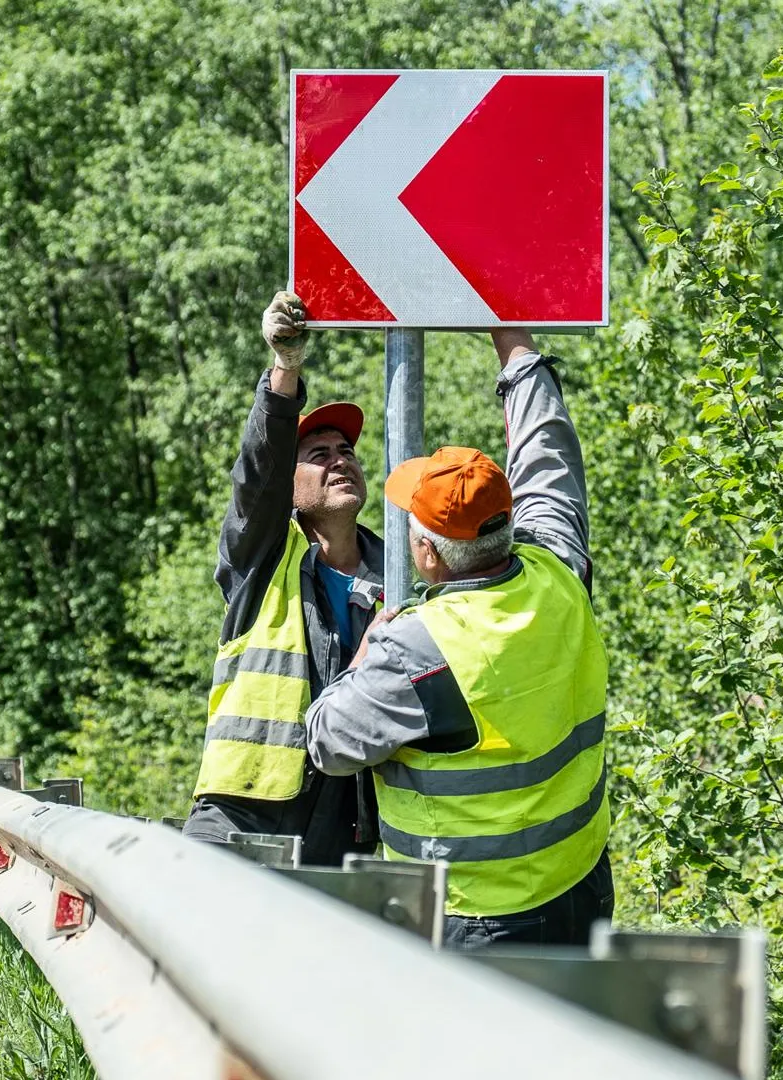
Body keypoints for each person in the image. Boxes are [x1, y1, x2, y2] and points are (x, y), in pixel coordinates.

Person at [304, 328, 610, 947]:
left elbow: (328, 741)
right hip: (581, 885)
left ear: (427, 555)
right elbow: (547, 455)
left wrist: (362, 658)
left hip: (475, 918)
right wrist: (514, 342)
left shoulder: (415, 650)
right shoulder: (557, 569)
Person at [182, 292, 382, 866]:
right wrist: (285, 370)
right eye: (317, 454)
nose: (340, 459)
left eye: (346, 450)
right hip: (242, 817)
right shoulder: (263, 556)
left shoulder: (397, 573)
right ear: (289, 487)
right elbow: (258, 473)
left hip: (345, 825)